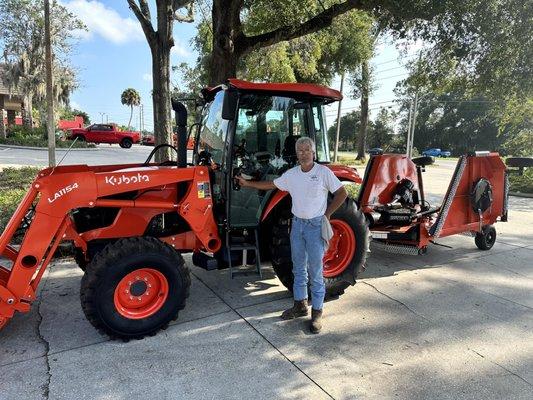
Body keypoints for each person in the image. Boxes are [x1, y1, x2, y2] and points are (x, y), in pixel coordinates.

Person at [236, 137, 347, 333]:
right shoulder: (292, 174)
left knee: (315, 271)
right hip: (297, 225)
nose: (304, 153)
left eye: (307, 150)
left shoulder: (323, 173)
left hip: (314, 227)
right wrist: (247, 183)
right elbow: (271, 185)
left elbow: (342, 193)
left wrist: (327, 214)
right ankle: (300, 305)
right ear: (297, 154)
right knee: (298, 269)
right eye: (300, 150)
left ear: (313, 152)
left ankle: (317, 313)